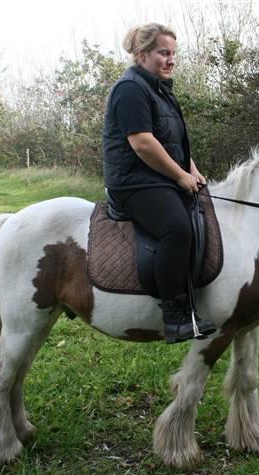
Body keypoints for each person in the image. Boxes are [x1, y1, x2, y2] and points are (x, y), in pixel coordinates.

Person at [103, 23, 216, 344]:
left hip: (156, 179)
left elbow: (175, 143)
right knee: (177, 228)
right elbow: (142, 143)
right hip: (133, 182)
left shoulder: (160, 89)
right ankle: (176, 316)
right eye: (163, 53)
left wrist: (193, 172)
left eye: (173, 54)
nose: (171, 60)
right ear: (142, 54)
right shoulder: (130, 89)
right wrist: (180, 176)